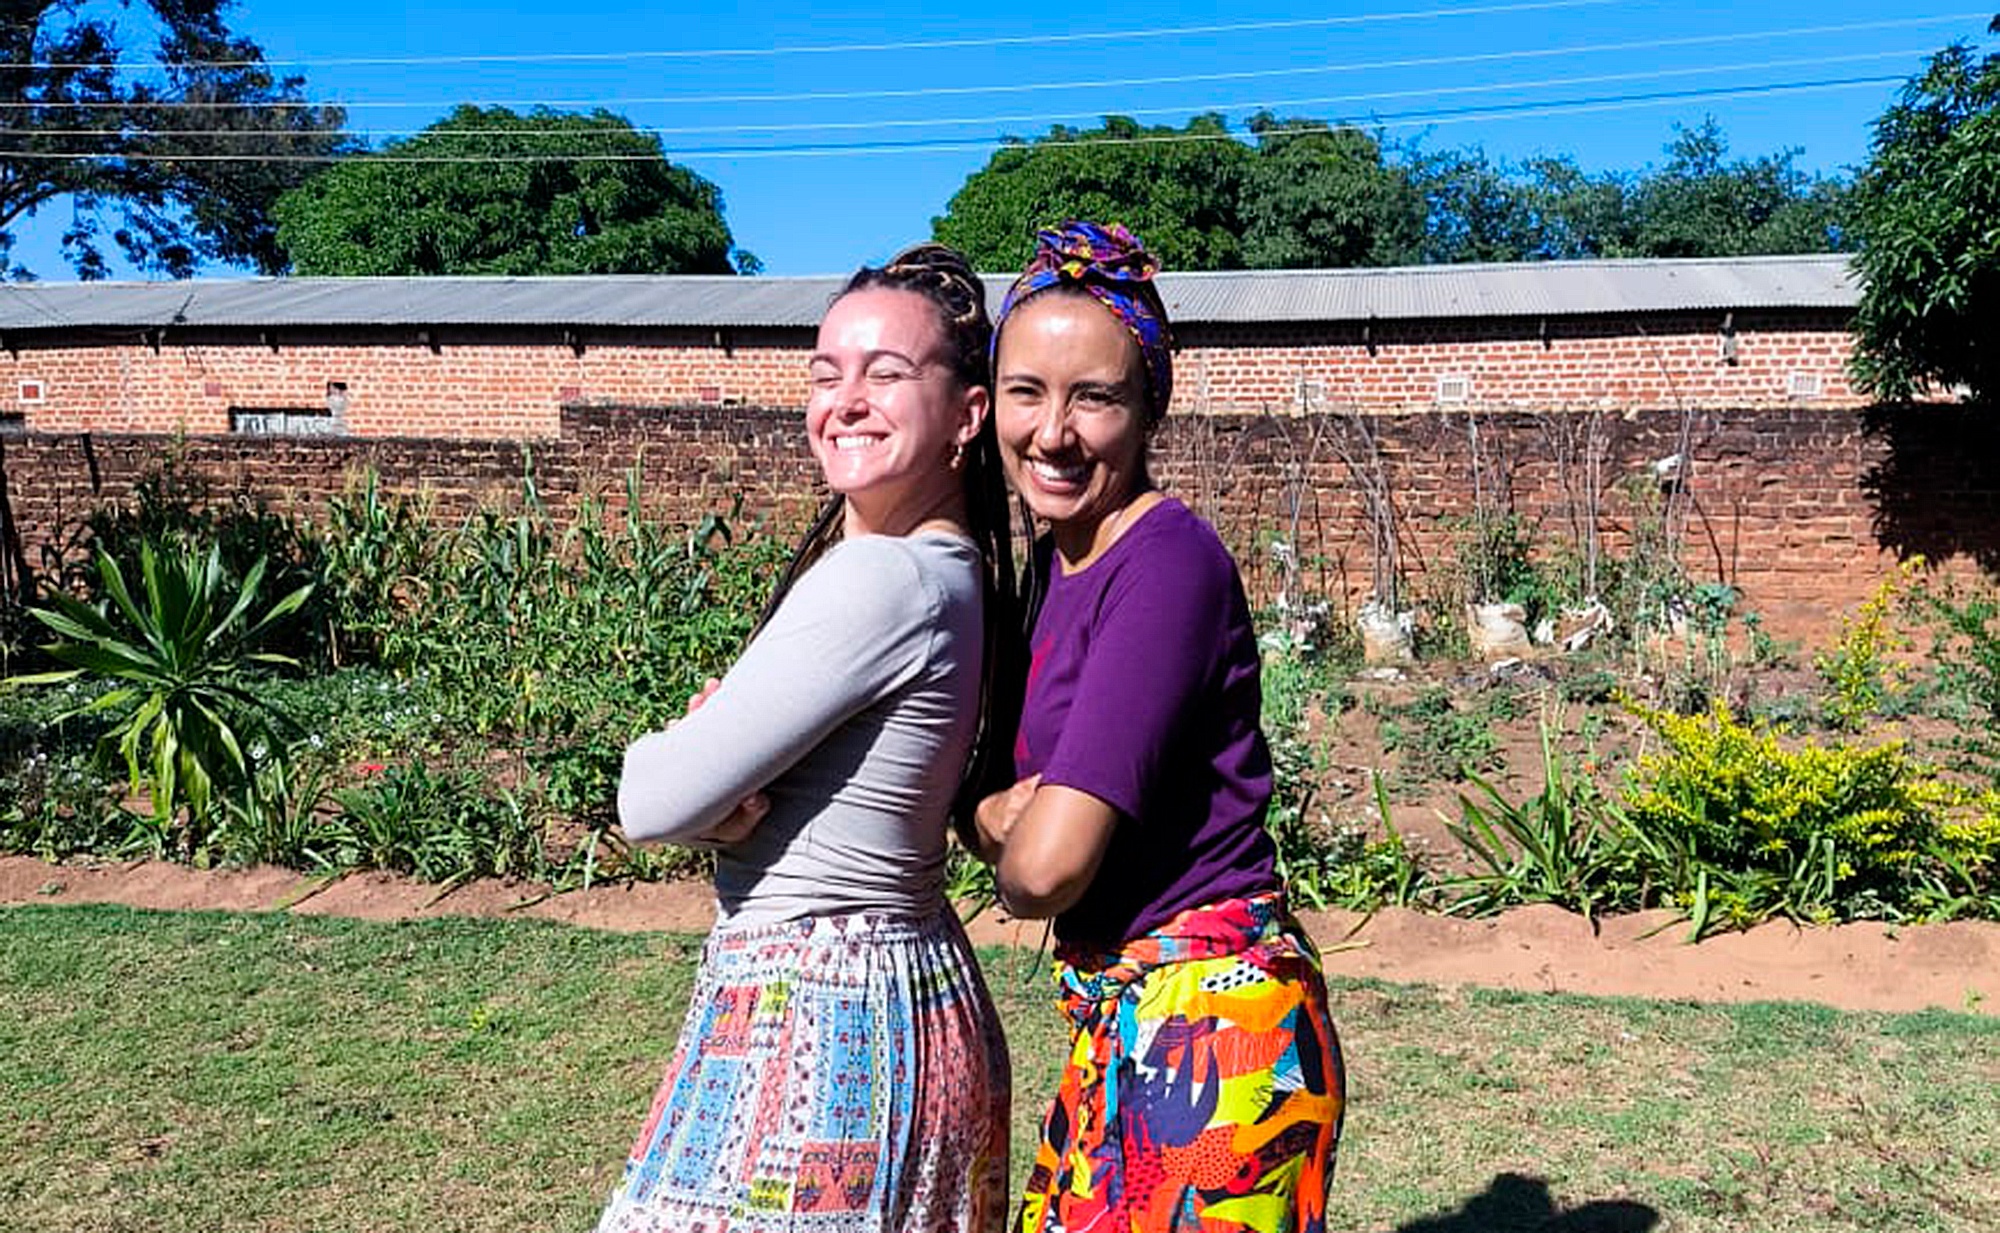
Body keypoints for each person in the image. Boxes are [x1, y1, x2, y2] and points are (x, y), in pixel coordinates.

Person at [595, 243, 1018, 1233]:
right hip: (902, 987)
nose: (846, 401)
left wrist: (699, 767)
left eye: (886, 373)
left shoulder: (880, 580)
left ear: (967, 414)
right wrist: (716, 781)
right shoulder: (953, 572)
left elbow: (649, 798)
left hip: (817, 1018)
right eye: (826, 375)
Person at [976, 222, 1345, 1233]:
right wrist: (1002, 815)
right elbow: (995, 810)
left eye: (1093, 397)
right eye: (1025, 391)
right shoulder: (1056, 564)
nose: (1053, 432)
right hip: (1134, 1015)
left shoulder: (1166, 564)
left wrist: (1008, 827)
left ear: (1150, 409)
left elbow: (1046, 869)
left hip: (1214, 1038)